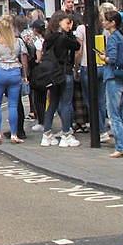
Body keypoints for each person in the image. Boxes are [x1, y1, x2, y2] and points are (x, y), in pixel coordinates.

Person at [0, 16, 29, 144]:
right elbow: (24, 60)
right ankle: (14, 135)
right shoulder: (18, 42)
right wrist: (24, 75)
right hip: (15, 72)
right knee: (13, 105)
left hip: (0, 72)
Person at [40, 11, 80, 148]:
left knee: (52, 103)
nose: (70, 25)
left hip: (51, 74)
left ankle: (47, 134)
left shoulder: (48, 38)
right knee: (66, 104)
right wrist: (70, 33)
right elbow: (76, 46)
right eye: (67, 23)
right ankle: (66, 134)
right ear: (59, 23)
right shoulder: (64, 38)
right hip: (64, 72)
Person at [102, 10, 123, 158]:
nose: (103, 23)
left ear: (112, 23)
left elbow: (113, 59)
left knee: (114, 114)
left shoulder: (113, 38)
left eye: (105, 20)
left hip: (114, 77)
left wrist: (104, 57)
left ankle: (120, 147)